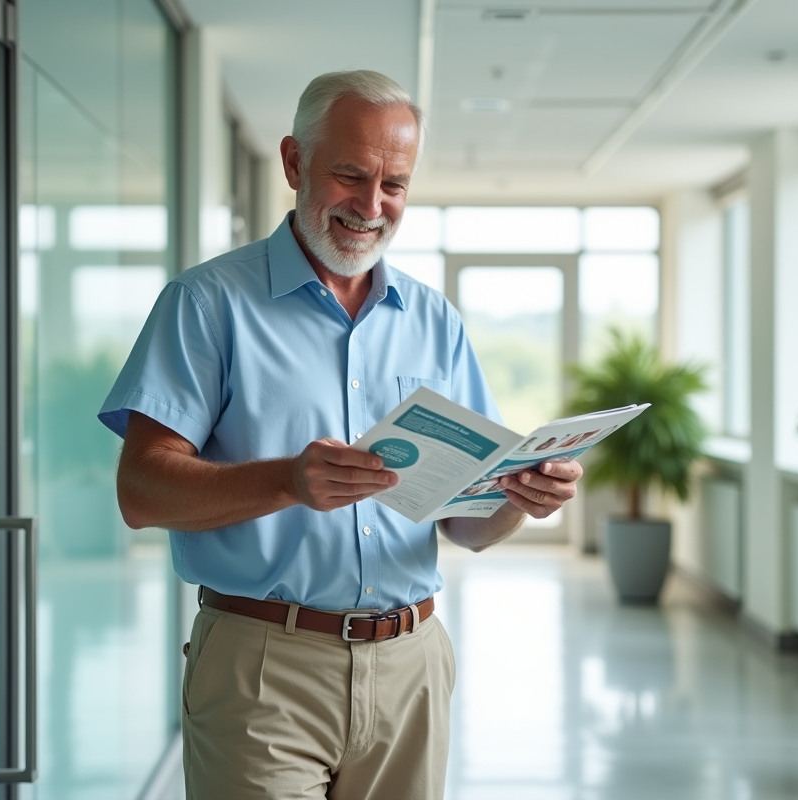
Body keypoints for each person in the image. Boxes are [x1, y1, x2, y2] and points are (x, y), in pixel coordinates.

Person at [99, 70, 583, 800]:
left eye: (394, 185)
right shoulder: (206, 304)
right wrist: (288, 481)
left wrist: (519, 496)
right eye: (350, 175)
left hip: (412, 666)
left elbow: (468, 526)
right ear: (295, 163)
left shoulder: (433, 321)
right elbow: (141, 491)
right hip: (263, 666)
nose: (371, 205)